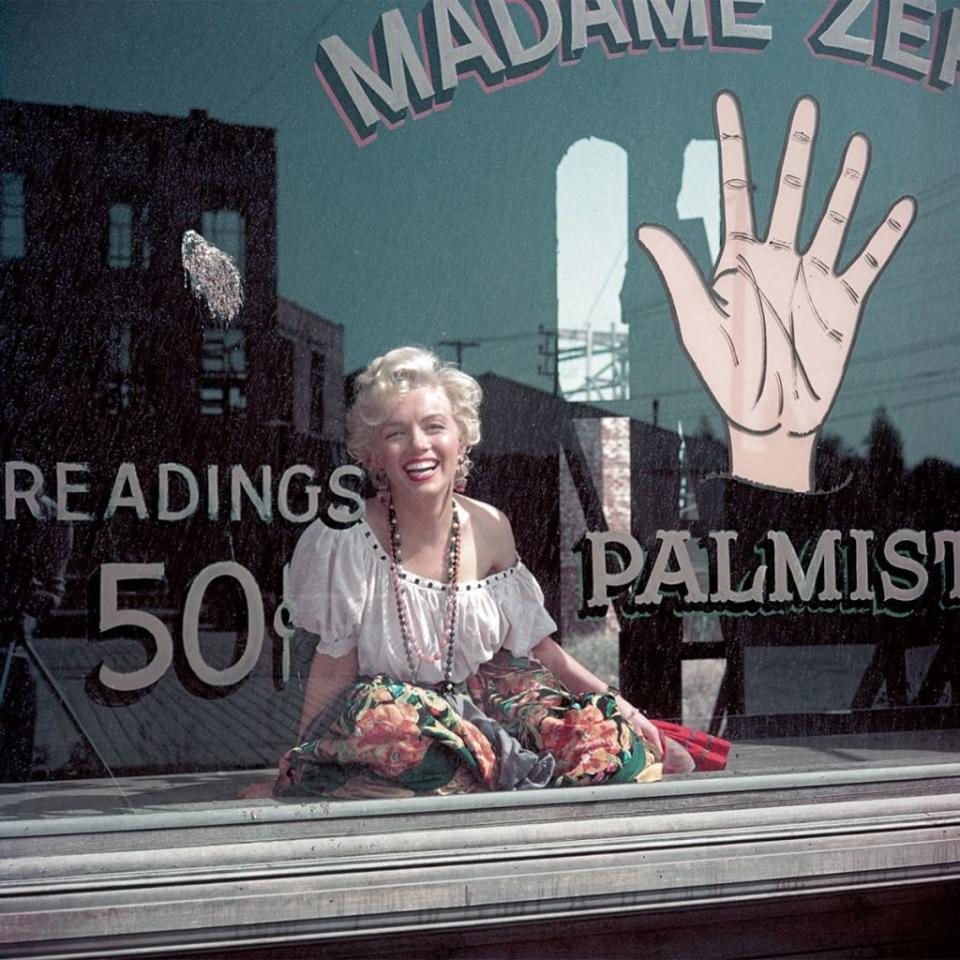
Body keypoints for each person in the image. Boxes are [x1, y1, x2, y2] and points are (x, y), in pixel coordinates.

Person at [248, 347, 728, 800]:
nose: (418, 445)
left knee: (603, 742)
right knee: (389, 728)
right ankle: (494, 778)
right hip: (408, 719)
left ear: (461, 438)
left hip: (489, 702)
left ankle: (490, 778)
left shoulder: (492, 526)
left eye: (434, 426)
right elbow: (334, 665)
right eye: (396, 433)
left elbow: (540, 646)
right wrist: (294, 766)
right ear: (374, 455)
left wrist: (618, 705)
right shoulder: (347, 539)